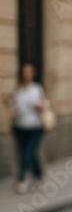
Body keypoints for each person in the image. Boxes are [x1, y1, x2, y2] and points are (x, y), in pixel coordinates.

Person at [6, 64, 47, 194]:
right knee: (29, 153)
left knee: (27, 153)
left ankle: (21, 178)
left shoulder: (36, 89)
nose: (27, 74)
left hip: (35, 126)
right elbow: (14, 106)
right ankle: (38, 176)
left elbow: (43, 106)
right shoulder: (18, 90)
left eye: (29, 72)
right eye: (25, 72)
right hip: (20, 127)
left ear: (33, 74)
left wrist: (38, 107)